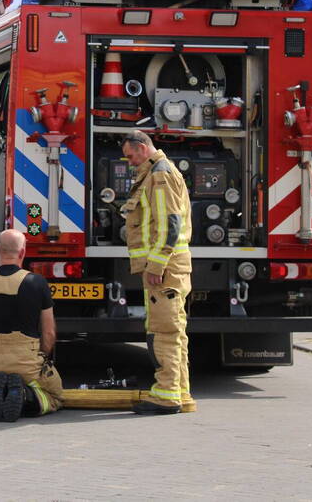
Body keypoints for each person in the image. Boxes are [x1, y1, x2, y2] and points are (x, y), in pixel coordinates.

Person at [119, 130, 195, 416]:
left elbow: (169, 224)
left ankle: (166, 396)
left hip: (166, 267)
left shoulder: (160, 175)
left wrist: (157, 264)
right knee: (175, 330)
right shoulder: (157, 172)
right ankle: (180, 392)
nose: (129, 162)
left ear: (142, 148)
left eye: (130, 155)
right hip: (172, 265)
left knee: (164, 330)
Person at [0, 229, 63, 422]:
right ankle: (26, 396)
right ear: (23, 252)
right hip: (26, 362)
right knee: (55, 396)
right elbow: (49, 332)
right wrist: (42, 355)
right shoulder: (37, 282)